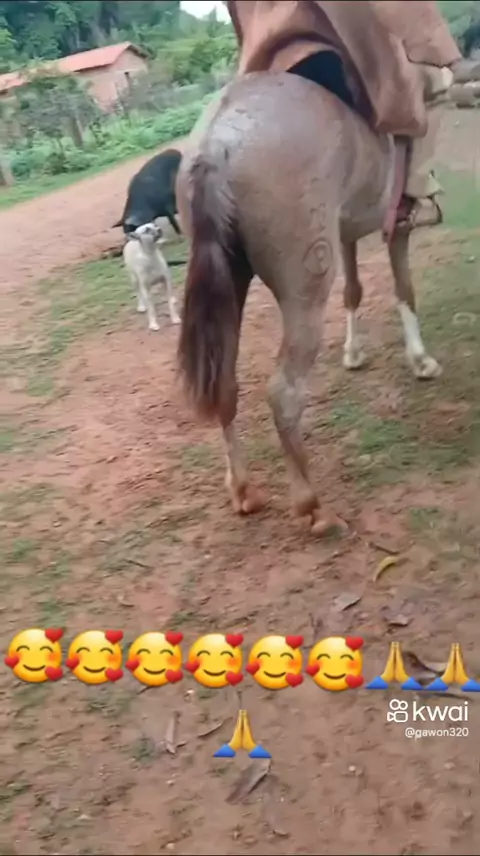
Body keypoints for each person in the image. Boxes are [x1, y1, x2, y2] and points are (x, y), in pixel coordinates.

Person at [225, 0, 461, 229]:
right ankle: (415, 193)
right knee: (437, 82)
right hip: (335, 50)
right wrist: (441, 51)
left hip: (270, 61)